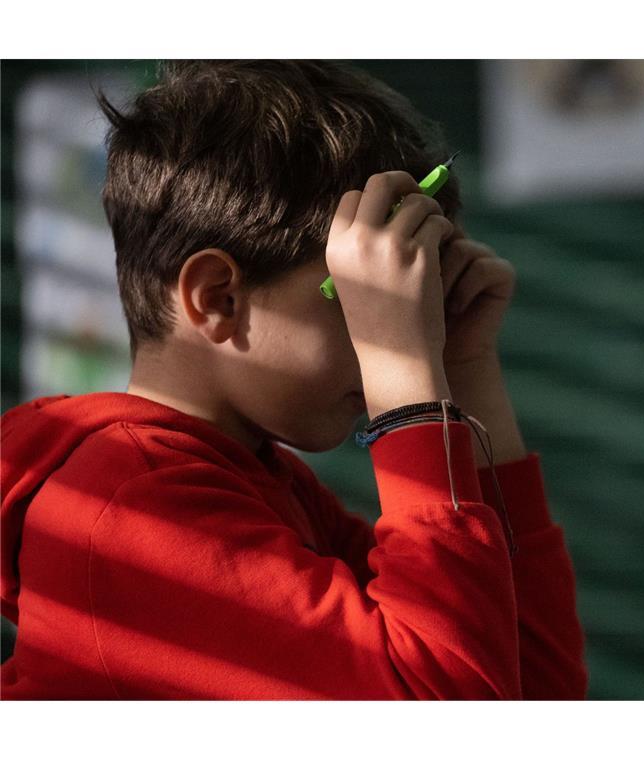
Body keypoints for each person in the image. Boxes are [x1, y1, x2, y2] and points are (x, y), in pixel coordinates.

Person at [0, 60, 587, 699]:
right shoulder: (126, 508)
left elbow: (535, 693)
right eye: (365, 299)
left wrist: (465, 368)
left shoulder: (262, 483)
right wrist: (400, 365)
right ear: (218, 297)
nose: (411, 332)